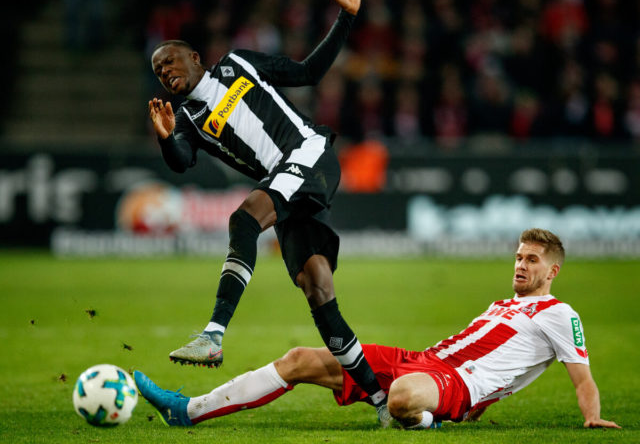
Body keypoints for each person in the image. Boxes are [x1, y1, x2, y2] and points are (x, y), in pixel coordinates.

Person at [147, 0, 391, 423]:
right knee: (317, 289)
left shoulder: (239, 64)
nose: (165, 72)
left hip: (309, 154)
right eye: (158, 71)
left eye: (170, 61)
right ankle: (382, 403)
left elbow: (307, 72)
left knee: (243, 219)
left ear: (195, 57)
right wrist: (165, 138)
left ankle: (213, 333)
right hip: (286, 187)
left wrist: (346, 17)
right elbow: (181, 161)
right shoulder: (188, 120)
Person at [134, 228, 620, 430]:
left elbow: (582, 376)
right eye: (518, 256)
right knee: (302, 357)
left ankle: (410, 415)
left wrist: (591, 416)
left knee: (405, 396)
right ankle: (188, 411)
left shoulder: (561, 315)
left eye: (531, 260)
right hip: (423, 362)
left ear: (552, 271)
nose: (520, 265)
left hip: (455, 386)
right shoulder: (500, 305)